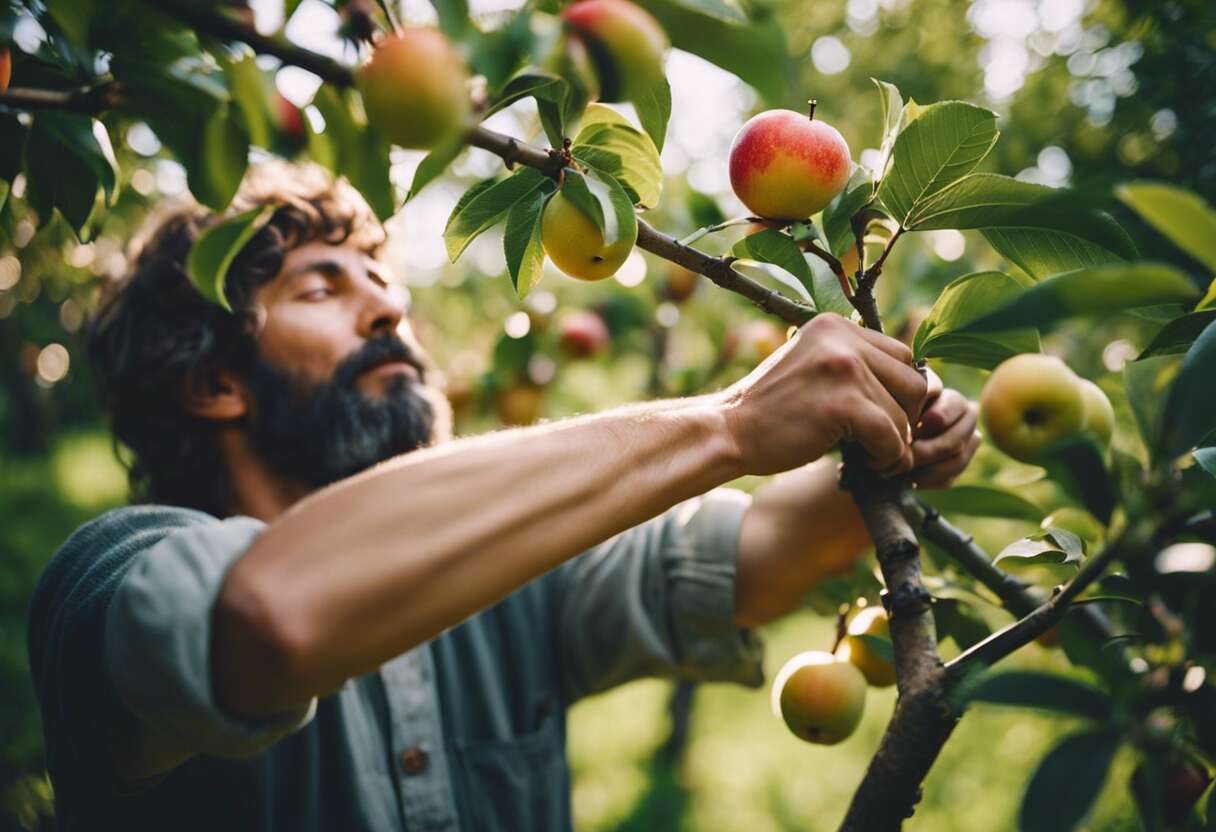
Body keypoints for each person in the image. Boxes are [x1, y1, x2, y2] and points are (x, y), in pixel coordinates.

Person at [27, 163, 980, 831]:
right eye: (324, 286)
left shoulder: (515, 578)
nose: (389, 306)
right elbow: (268, 617)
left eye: (382, 279)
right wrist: (728, 422)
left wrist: (885, 436)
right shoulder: (110, 579)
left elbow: (758, 562)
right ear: (211, 381)